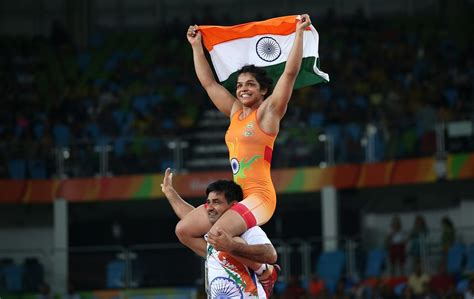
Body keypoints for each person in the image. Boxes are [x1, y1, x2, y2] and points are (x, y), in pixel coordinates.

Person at [176, 13, 312, 276]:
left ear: (263, 90)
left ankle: (264, 271)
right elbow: (209, 83)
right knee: (184, 231)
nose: (242, 89)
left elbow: (290, 73)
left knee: (218, 233)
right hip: (235, 198)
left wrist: (298, 34)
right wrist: (196, 46)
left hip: (260, 197)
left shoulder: (268, 112)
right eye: (239, 85)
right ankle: (235, 265)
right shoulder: (235, 112)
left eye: (250, 84)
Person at [161, 168, 279, 298]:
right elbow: (189, 220)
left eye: (216, 202)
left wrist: (232, 246)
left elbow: (271, 254)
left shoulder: (248, 230)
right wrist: (170, 193)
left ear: (234, 206)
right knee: (190, 234)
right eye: (208, 203)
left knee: (220, 242)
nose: (210, 208)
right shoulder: (213, 239)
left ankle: (265, 272)